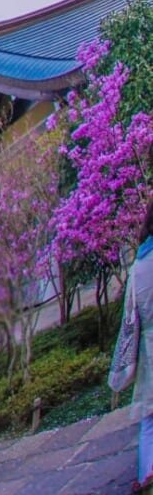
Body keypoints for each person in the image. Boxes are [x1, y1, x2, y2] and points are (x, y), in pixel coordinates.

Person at [111, 198, 153, 494]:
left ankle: (147, 476)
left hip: (151, 349)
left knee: (150, 422)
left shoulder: (139, 265)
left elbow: (130, 320)